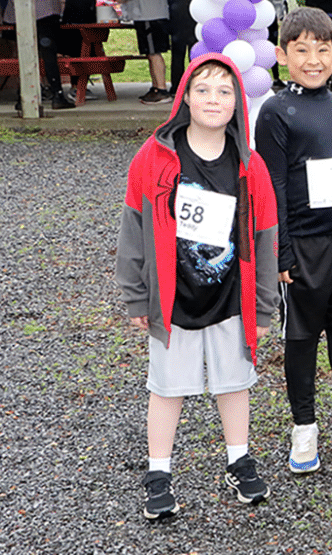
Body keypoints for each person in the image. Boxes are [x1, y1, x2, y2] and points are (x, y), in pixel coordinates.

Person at [115, 53, 279, 519]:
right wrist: (135, 293)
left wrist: (263, 305)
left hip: (232, 298)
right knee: (167, 387)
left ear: (237, 103)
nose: (213, 98)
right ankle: (159, 472)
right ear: (184, 96)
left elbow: (266, 236)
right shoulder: (153, 158)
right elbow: (133, 226)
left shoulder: (251, 165)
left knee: (235, 383)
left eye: (224, 91)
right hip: (173, 298)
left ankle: (239, 460)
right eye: (203, 89)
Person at [255, 7, 332, 473]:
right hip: (304, 248)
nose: (313, 60)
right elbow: (274, 187)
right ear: (281, 54)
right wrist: (282, 250)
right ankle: (303, 425)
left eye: (323, 49)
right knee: (303, 335)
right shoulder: (275, 112)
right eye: (302, 50)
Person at [0, 0, 74, 110]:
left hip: (18, 15)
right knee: (49, 56)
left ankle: (23, 97)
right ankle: (57, 96)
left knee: (23, 56)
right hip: (44, 14)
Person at [117, 0, 172, 104]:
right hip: (150, 13)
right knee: (150, 53)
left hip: (150, 14)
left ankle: (162, 90)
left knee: (154, 53)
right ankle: (156, 87)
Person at [164, 0, 202, 94]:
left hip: (194, 26)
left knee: (195, 58)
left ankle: (196, 86)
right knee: (177, 59)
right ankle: (177, 87)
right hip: (176, 27)